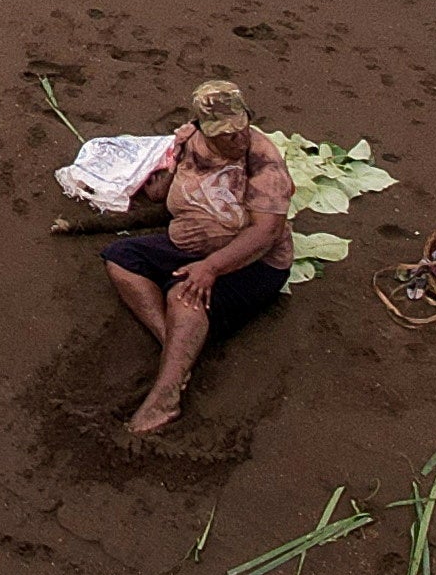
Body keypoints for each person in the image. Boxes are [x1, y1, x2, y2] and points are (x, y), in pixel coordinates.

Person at [96, 79, 296, 436]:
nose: (236, 139)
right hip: (190, 240)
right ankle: (173, 347)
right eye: (224, 135)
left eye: (240, 129)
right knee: (120, 260)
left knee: (184, 293)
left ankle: (165, 398)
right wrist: (169, 160)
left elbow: (266, 232)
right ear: (204, 129)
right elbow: (160, 193)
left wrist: (211, 268)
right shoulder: (190, 142)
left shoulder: (265, 162)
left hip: (256, 261)